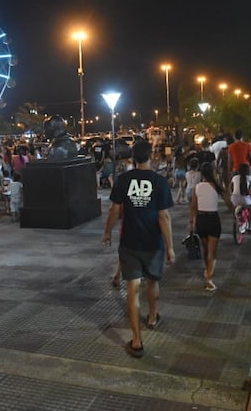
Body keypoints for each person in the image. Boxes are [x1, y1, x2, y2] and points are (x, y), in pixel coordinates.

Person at [102, 140, 174, 358]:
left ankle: (136, 340)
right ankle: (152, 318)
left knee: (132, 290)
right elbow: (164, 216)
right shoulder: (160, 182)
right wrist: (170, 247)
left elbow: (114, 211)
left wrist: (107, 233)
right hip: (153, 243)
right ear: (151, 156)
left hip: (130, 242)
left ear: (133, 157)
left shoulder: (123, 180)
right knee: (153, 282)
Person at [190, 162, 234, 292]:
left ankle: (207, 269)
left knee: (205, 249)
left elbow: (193, 206)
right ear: (213, 173)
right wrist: (234, 215)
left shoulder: (196, 187)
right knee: (212, 251)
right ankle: (209, 279)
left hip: (201, 220)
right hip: (213, 220)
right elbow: (228, 202)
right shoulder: (217, 186)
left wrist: (191, 222)